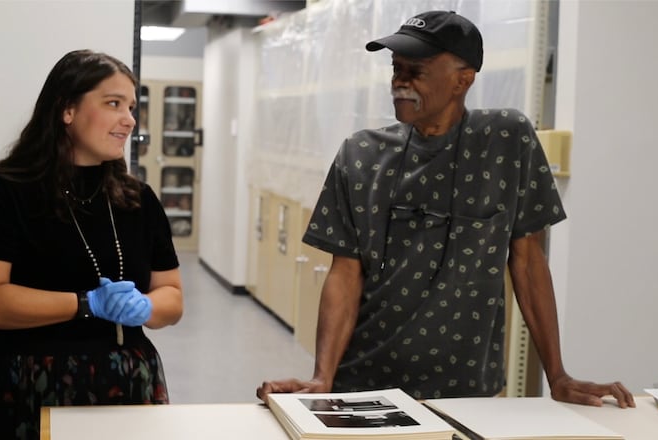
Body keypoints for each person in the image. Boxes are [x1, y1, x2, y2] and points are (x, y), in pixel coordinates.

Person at [257, 11, 635, 408]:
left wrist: (557, 375)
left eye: (415, 71)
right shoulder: (361, 154)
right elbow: (345, 274)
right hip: (366, 382)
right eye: (395, 69)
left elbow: (527, 263)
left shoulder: (506, 141)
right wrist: (322, 378)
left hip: (470, 391)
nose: (400, 83)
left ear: (463, 79)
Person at [0, 49, 184, 439]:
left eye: (131, 106)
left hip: (129, 385)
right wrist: (86, 304)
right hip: (29, 386)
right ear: (66, 110)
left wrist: (145, 306)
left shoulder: (137, 200)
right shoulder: (3, 192)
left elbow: (172, 297)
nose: (128, 120)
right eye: (113, 104)